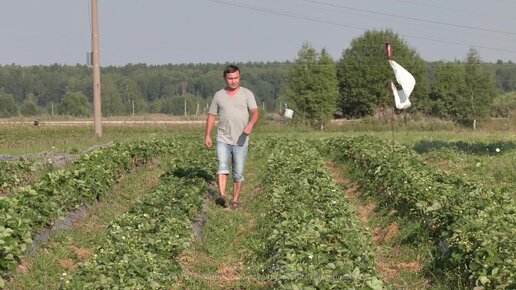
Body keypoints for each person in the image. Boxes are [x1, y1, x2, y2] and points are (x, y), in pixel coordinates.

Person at [204, 65, 259, 209]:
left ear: (239, 77)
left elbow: (255, 112)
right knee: (222, 165)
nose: (233, 81)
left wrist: (250, 125)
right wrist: (208, 135)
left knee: (238, 173)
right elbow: (211, 116)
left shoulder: (247, 94)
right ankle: (222, 196)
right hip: (223, 138)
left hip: (241, 140)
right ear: (225, 78)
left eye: (236, 78)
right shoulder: (219, 95)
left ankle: (234, 201)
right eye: (230, 78)